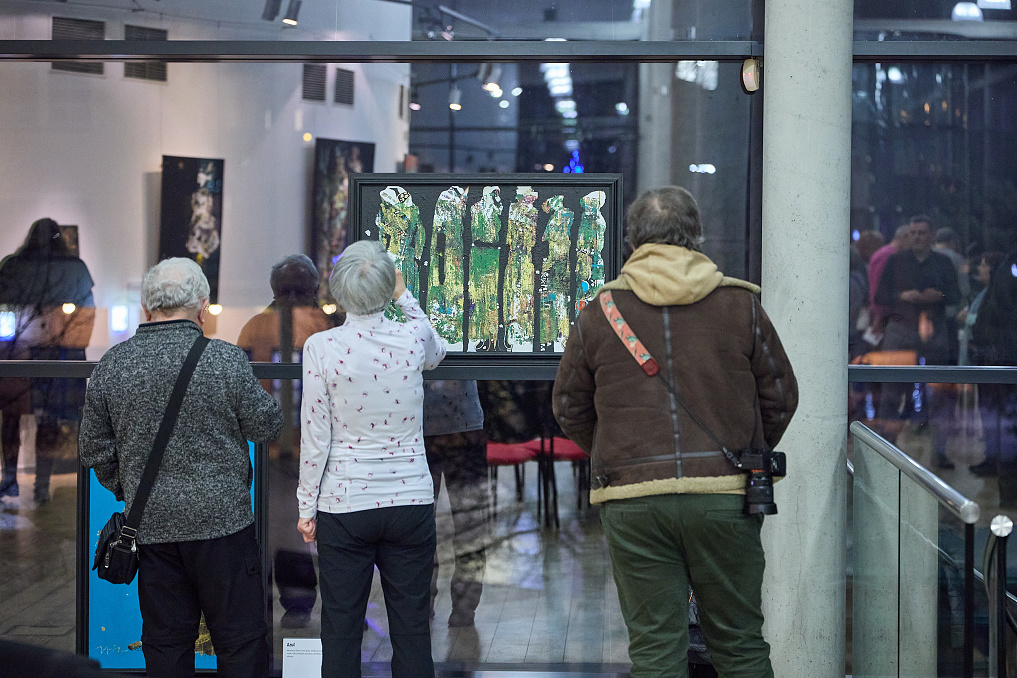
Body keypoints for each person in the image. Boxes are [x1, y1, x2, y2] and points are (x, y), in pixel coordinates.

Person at [552, 186, 798, 678]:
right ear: (697, 237)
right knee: (740, 644)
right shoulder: (741, 305)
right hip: (724, 498)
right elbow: (781, 397)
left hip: (633, 501)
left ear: (631, 242)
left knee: (654, 652)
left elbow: (567, 406)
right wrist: (742, 451)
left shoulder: (599, 313)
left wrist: (617, 451)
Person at [79, 257, 283, 678]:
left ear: (146, 306)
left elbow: (93, 448)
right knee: (240, 642)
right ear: (203, 307)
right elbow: (267, 425)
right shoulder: (224, 360)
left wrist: (129, 488)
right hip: (224, 526)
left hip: (151, 528)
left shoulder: (113, 365)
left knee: (166, 644)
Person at [296, 240, 446, 678]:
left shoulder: (321, 347)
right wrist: (404, 295)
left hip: (344, 505)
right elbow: (438, 352)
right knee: (413, 628)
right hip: (410, 501)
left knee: (340, 629)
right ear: (387, 287)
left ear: (338, 292)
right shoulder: (413, 335)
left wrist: (306, 507)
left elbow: (315, 435)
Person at [237, 254, 337, 629]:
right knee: (306, 532)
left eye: (297, 291)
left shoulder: (254, 327)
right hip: (310, 449)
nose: (294, 300)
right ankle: (302, 606)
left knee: (272, 530)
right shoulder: (324, 326)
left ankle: (267, 608)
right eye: (290, 291)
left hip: (270, 447)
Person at [0, 217, 95, 502]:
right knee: (48, 420)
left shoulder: (14, 266)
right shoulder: (74, 269)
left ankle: (11, 480)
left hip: (19, 353)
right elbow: (86, 315)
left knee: (14, 418)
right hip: (55, 355)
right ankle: (39, 486)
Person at [874, 216, 960, 463]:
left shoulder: (943, 262)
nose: (917, 237)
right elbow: (880, 296)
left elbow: (955, 295)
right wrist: (903, 296)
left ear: (931, 235)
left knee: (939, 390)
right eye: (913, 233)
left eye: (922, 232)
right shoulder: (896, 261)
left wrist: (938, 296)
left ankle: (940, 450)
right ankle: (885, 448)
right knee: (891, 389)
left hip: (933, 328)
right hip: (902, 327)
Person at [422, 380, 489, 628]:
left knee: (468, 527)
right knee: (420, 530)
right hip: (421, 428)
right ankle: (423, 606)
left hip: (461, 429)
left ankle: (463, 609)